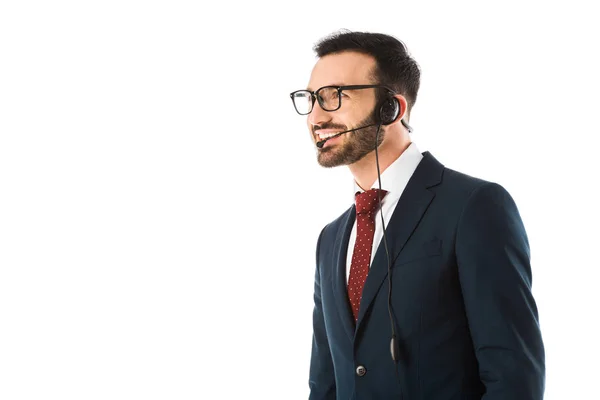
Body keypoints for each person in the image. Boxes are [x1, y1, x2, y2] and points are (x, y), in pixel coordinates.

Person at [290, 30, 545, 399]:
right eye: (311, 99)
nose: (316, 116)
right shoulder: (331, 238)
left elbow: (514, 378)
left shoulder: (474, 206)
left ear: (391, 108)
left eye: (335, 96)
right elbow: (325, 382)